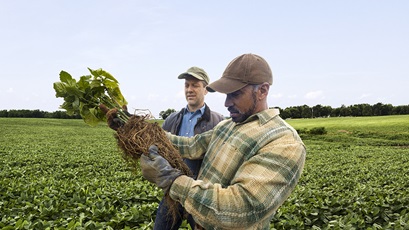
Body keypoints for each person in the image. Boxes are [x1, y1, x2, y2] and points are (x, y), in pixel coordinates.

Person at [139, 53, 306, 229]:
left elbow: (241, 208)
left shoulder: (284, 142)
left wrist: (170, 179)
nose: (227, 103)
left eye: (235, 94)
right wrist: (141, 130)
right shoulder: (227, 125)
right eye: (226, 95)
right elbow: (191, 146)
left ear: (262, 91)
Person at [154, 66, 224, 229]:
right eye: (187, 85)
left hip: (201, 194)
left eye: (195, 85)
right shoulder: (172, 119)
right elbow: (158, 149)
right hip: (173, 191)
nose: (190, 90)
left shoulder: (218, 121)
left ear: (205, 89)